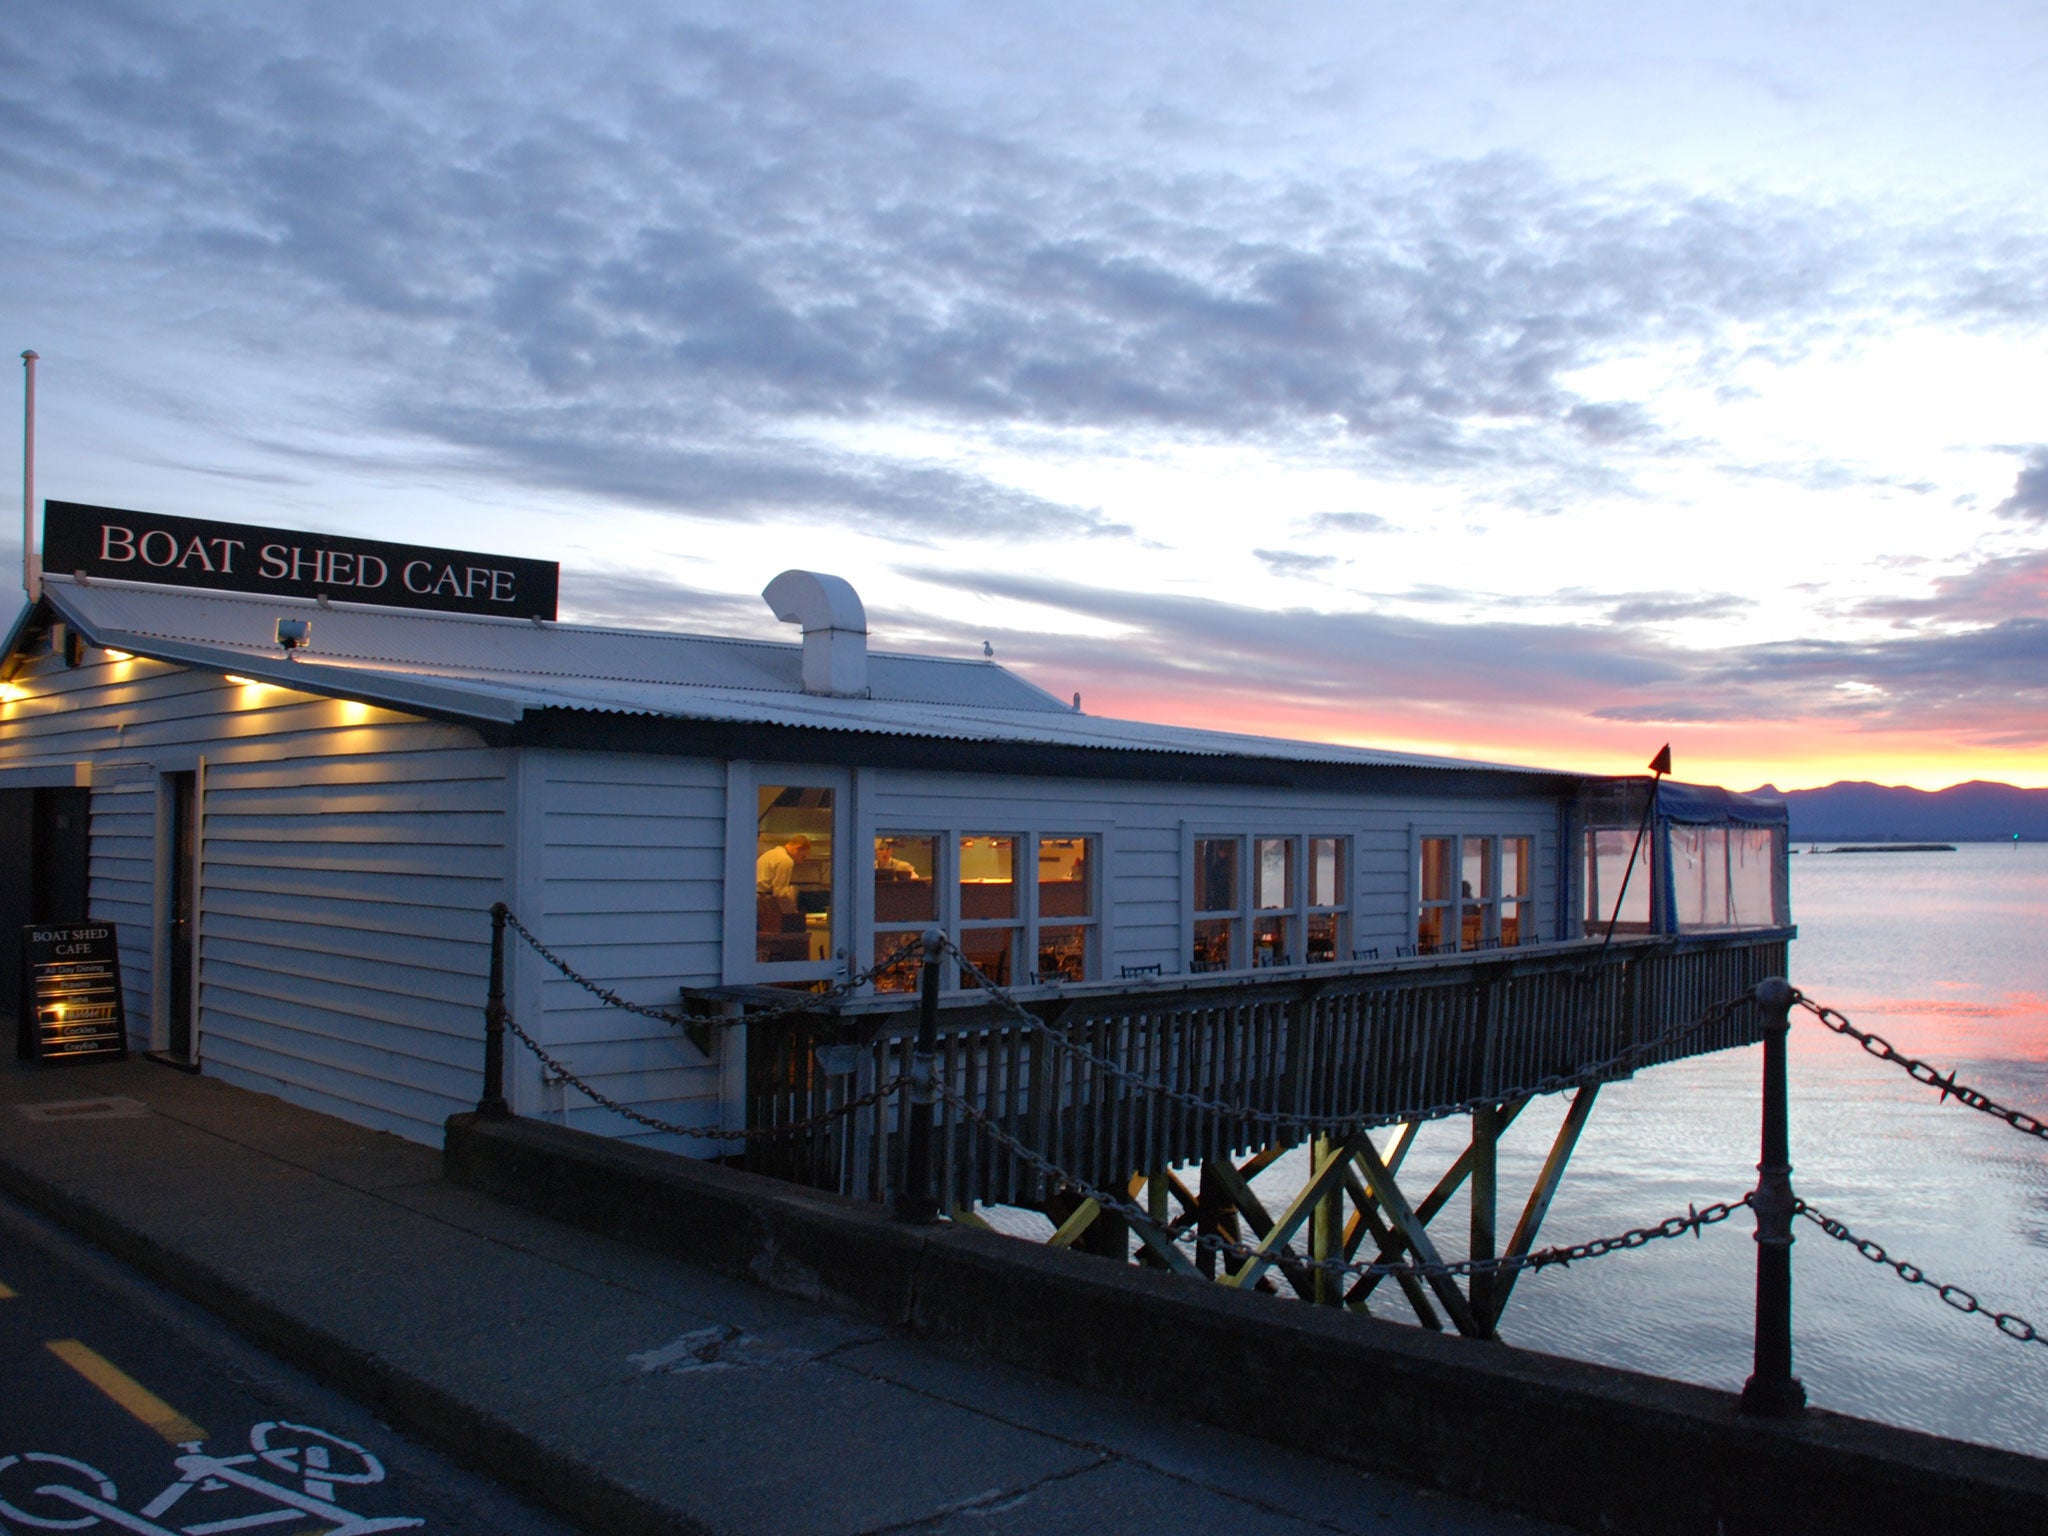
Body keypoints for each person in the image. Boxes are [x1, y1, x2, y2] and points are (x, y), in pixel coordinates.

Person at [756, 836, 812, 911]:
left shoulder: (772, 853)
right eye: (803, 857)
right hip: (760, 900)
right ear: (798, 848)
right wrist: (793, 911)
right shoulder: (786, 860)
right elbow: (780, 892)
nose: (801, 862)